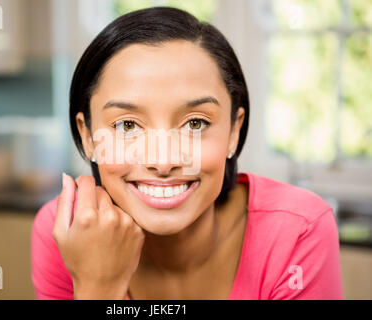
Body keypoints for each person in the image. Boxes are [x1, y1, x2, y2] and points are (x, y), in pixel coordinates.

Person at [31, 7, 343, 300]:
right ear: (88, 136)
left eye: (195, 123)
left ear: (234, 131)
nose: (164, 162)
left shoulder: (299, 230)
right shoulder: (67, 233)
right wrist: (99, 287)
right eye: (127, 125)